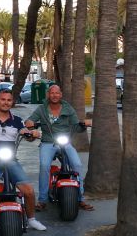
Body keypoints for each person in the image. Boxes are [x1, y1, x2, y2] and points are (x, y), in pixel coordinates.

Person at [0, 88, 47, 231]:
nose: (5, 103)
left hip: (9, 160)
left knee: (29, 190)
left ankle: (31, 219)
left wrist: (31, 133)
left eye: (9, 100)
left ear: (12, 102)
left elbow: (25, 133)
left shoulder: (17, 121)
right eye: (3, 99)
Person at [25, 84, 93, 212]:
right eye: (52, 93)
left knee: (77, 165)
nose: (54, 95)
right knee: (44, 166)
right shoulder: (42, 109)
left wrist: (83, 125)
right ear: (48, 95)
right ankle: (42, 200)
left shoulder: (68, 108)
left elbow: (76, 126)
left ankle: (80, 198)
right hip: (48, 142)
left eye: (57, 93)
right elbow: (30, 121)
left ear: (60, 95)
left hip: (65, 142)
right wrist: (29, 123)